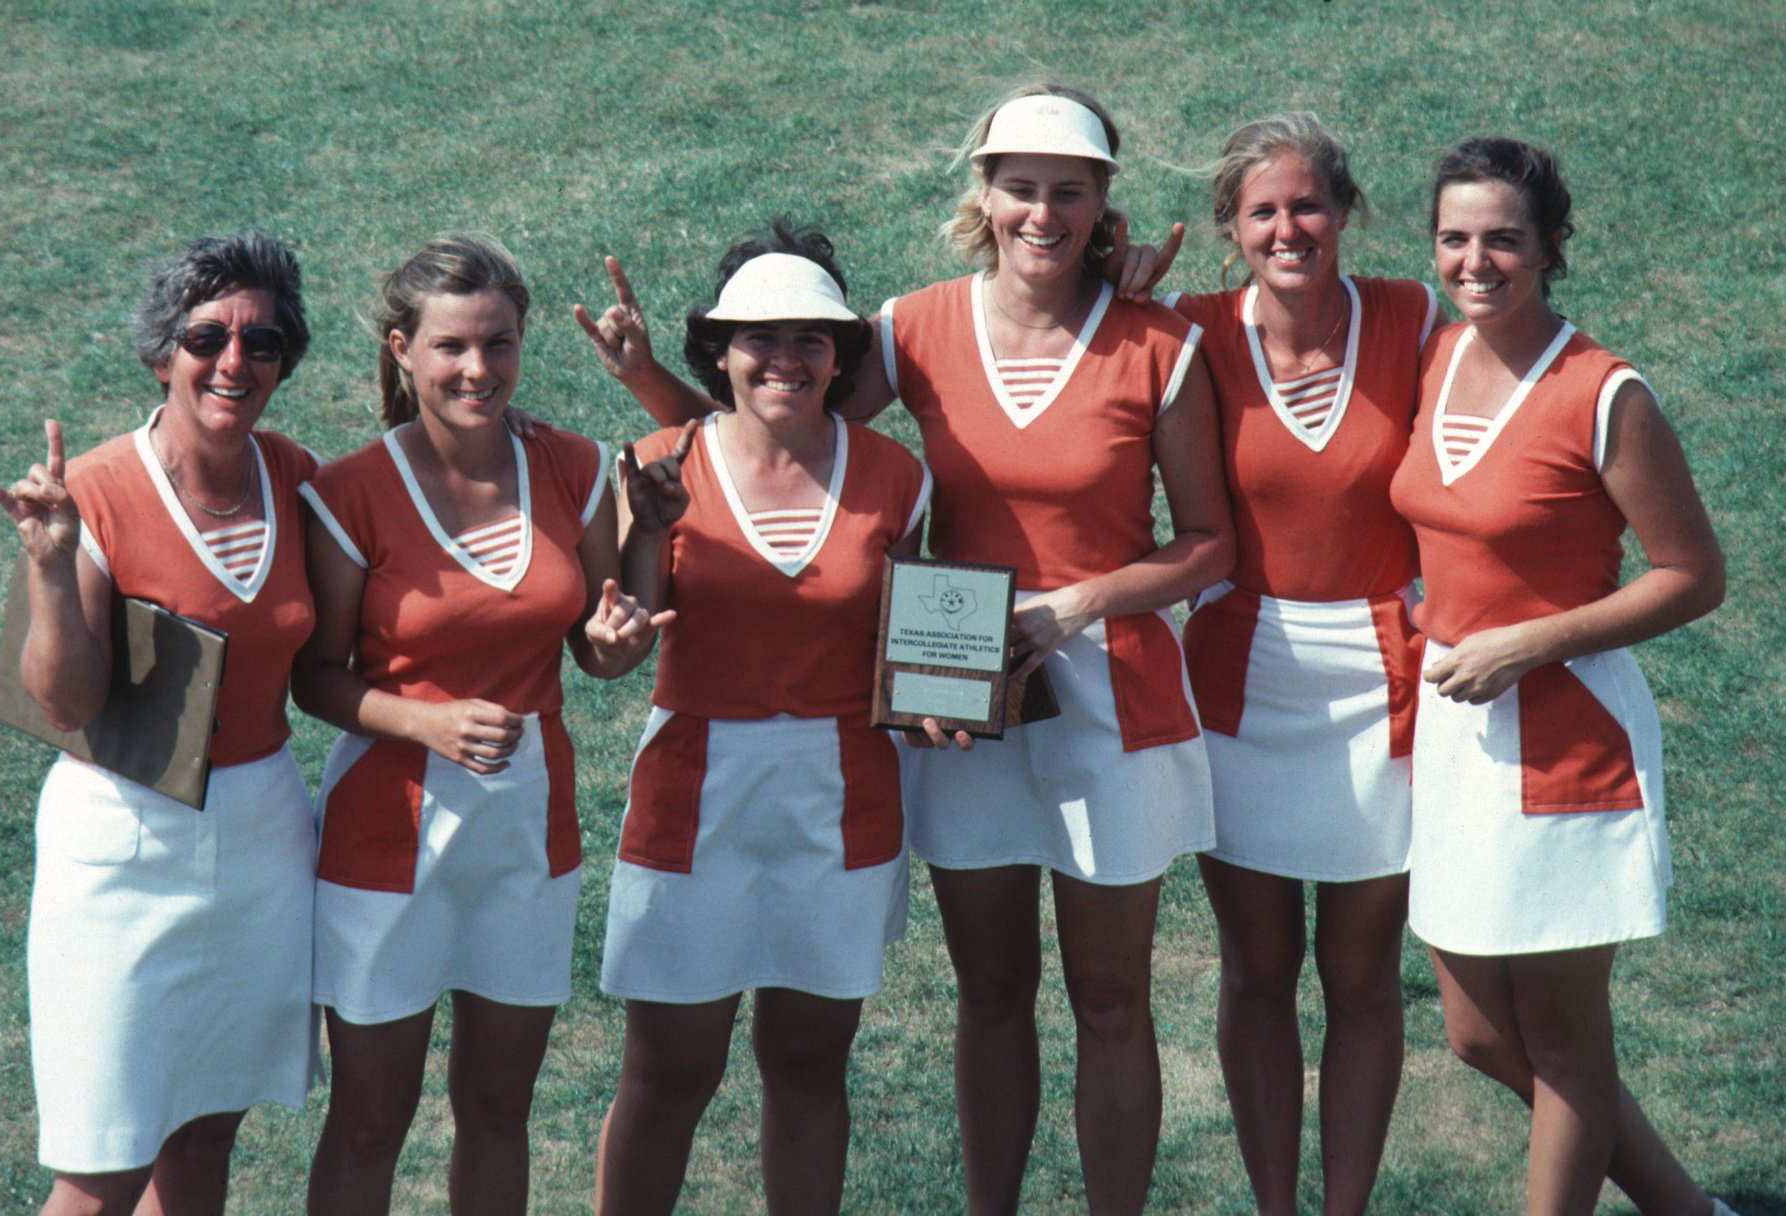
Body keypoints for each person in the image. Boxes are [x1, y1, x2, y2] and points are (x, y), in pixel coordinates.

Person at [579, 86, 1232, 1215]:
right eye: (1018, 187)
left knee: (1113, 998)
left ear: (1101, 202)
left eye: (1067, 191)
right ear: (981, 194)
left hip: (1113, 691)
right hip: (955, 697)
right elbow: (773, 436)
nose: (1041, 212)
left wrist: (1075, 606)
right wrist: (649, 388)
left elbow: (1212, 545)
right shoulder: (912, 323)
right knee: (991, 991)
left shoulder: (1158, 339)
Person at [1390, 136, 1738, 1216]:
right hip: (1455, 733)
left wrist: (1528, 641)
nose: (1475, 259)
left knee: (1561, 1037)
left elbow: (1693, 575)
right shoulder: (1438, 356)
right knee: (1479, 1032)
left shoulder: (1602, 391)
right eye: (1454, 238)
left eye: (1502, 238)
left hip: (1567, 737)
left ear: (1549, 247)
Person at [291, 235, 664, 1216]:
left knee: (498, 1108)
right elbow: (315, 676)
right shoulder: (349, 490)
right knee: (371, 1117)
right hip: (383, 838)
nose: (478, 369)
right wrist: (423, 719)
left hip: (526, 837)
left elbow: (595, 647)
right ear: (401, 348)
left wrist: (619, 638)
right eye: (453, 346)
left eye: (499, 344)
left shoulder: (577, 467)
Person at [587, 222, 931, 1215]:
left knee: (811, 1063)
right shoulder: (656, 461)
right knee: (666, 1074)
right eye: (759, 338)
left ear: (840, 355)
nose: (784, 358)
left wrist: (946, 703)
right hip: (693, 797)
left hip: (844, 799)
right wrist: (621, 603)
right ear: (719, 353)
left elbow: (919, 647)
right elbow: (625, 638)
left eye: (809, 338)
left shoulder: (895, 475)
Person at [1131, 113, 1439, 1216]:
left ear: (1345, 211)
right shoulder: (1188, 332)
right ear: (1229, 227)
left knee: (1359, 979)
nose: (1288, 227)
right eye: (1262, 210)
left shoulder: (1412, 313)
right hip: (1237, 679)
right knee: (1258, 972)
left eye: (1308, 204)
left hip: (1383, 683)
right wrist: (1111, 297)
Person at [0, 229, 319, 1216]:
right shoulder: (92, 489)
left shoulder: (296, 479)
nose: (234, 362)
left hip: (262, 836)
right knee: (105, 1165)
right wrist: (50, 566)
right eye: (207, 336)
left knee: (207, 1131)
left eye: (262, 342)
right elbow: (67, 700)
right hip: (124, 847)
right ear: (161, 351)